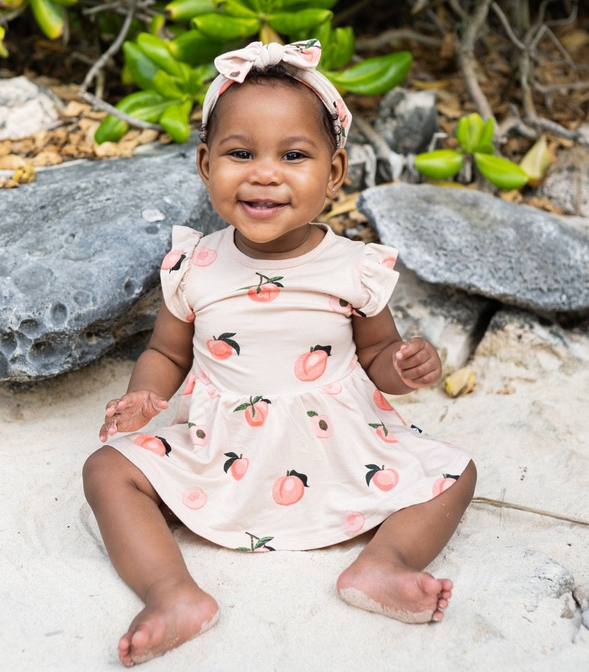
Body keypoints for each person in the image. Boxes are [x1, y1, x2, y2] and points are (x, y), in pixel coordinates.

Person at [83, 38, 476, 667]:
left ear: (335, 173)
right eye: (240, 154)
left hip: (337, 445)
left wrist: (404, 368)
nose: (265, 172)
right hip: (223, 446)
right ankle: (172, 592)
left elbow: (379, 354)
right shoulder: (196, 266)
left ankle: (382, 565)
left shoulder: (353, 268)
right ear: (206, 163)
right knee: (106, 470)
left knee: (455, 471)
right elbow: (167, 350)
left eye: (294, 155)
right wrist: (144, 395)